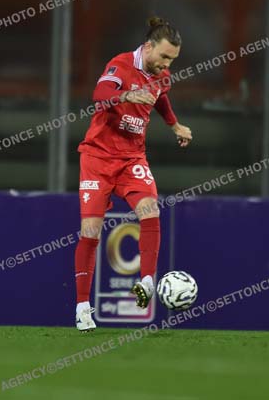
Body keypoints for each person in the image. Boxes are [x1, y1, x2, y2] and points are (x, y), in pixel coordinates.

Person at [74, 16, 192, 332]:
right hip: (98, 158)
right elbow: (99, 95)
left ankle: (148, 282)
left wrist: (174, 125)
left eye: (172, 60)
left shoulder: (161, 76)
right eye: (164, 56)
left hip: (131, 159)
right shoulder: (121, 65)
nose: (167, 64)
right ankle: (83, 307)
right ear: (148, 47)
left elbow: (161, 97)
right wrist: (126, 96)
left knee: (150, 210)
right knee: (90, 231)